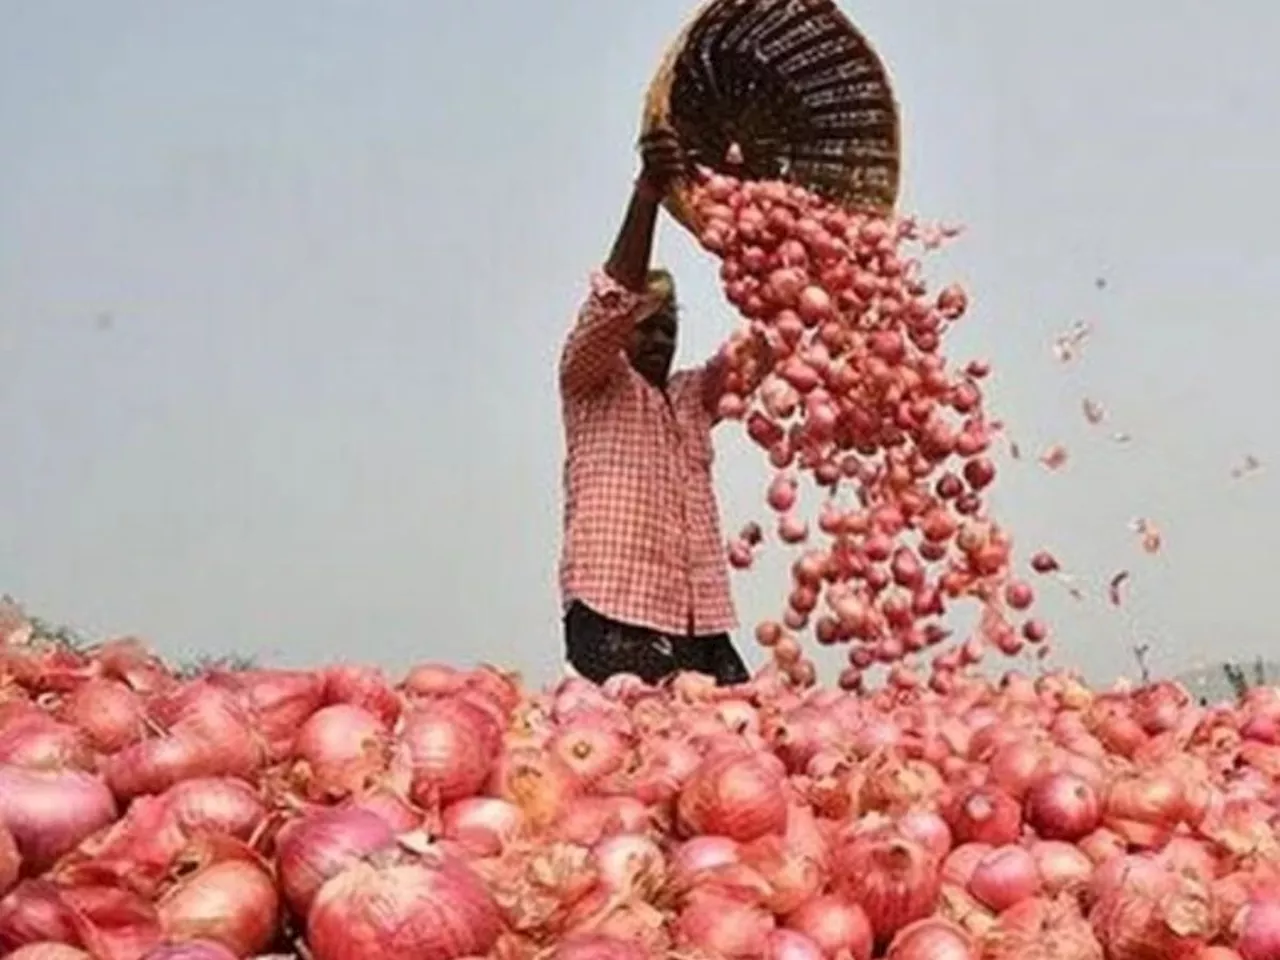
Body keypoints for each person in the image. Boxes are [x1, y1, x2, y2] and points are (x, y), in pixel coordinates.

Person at [557, 129, 771, 687]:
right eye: (646, 327)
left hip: (698, 618)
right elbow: (612, 299)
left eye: (670, 327)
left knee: (738, 744)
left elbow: (769, 346)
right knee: (642, 748)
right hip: (615, 609)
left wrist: (780, 247)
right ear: (622, 331)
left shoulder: (691, 398)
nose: (660, 339)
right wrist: (648, 193)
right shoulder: (590, 381)